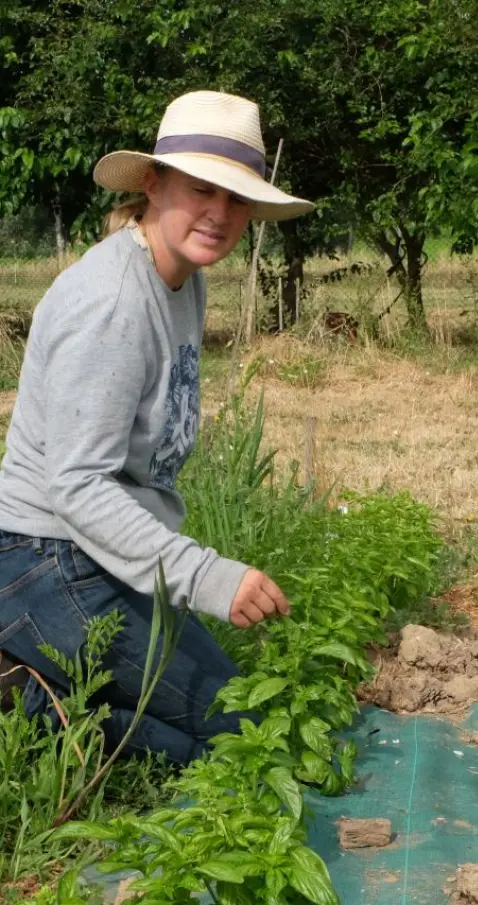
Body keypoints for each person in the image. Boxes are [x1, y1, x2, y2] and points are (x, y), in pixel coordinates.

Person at [0, 90, 314, 765]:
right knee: (238, 736)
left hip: (95, 556)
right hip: (43, 558)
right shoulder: (114, 303)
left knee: (235, 723)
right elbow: (79, 486)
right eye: (203, 189)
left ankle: (51, 678)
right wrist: (209, 576)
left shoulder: (182, 279)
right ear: (154, 183)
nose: (220, 214)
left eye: (237, 199)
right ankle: (27, 695)